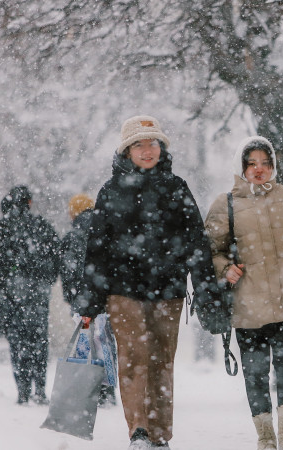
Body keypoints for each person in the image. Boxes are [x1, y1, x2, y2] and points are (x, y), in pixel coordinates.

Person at [75, 115, 218, 450]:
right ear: (127, 151)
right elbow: (97, 249)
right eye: (139, 144)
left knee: (161, 359)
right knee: (134, 355)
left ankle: (160, 434)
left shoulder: (176, 187)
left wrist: (206, 288)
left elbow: (197, 240)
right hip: (123, 290)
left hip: (167, 290)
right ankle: (139, 430)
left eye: (152, 142)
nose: (147, 149)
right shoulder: (110, 192)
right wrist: (90, 301)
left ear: (161, 148)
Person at [204, 136, 283, 450]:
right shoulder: (226, 204)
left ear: (272, 165)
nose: (259, 169)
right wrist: (224, 268)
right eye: (252, 163)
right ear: (241, 166)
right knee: (256, 373)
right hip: (247, 305)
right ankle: (265, 437)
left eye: (265, 163)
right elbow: (209, 251)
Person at [0, 185, 60, 405]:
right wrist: (46, 280)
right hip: (37, 295)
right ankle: (40, 389)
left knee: (17, 343)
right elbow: (56, 255)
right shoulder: (41, 226)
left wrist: (0, 289)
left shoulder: (0, 228)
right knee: (39, 341)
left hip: (11, 297)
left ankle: (23, 390)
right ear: (28, 203)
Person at [60, 193, 117, 406]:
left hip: (82, 299)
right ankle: (108, 390)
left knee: (85, 344)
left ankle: (89, 390)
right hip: (106, 299)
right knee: (106, 343)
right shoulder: (105, 231)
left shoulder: (72, 237)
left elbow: (68, 273)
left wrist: (72, 297)